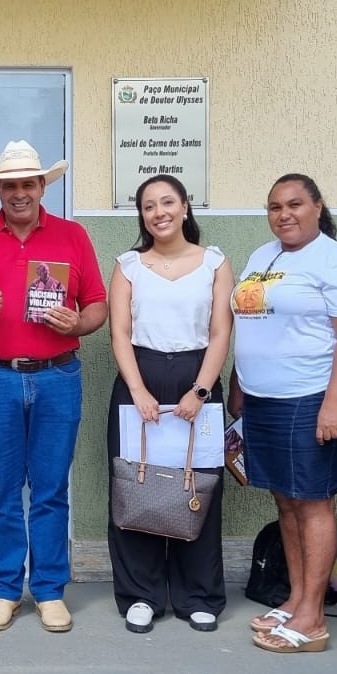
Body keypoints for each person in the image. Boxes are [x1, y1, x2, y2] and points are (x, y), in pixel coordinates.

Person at [0, 140, 107, 634]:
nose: (18, 193)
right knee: (3, 488)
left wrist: (77, 322)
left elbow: (97, 304)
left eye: (27, 184)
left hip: (58, 374)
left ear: (41, 186)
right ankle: (6, 589)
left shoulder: (73, 236)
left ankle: (50, 590)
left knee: (52, 489)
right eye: (8, 185)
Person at [232, 174, 337, 654]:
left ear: (317, 206)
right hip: (262, 400)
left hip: (309, 397)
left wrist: (335, 403)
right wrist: (239, 386)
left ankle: (312, 617)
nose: (284, 214)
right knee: (285, 501)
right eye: (274, 207)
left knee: (312, 502)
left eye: (294, 204)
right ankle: (294, 598)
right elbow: (250, 322)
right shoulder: (261, 257)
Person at [106, 175, 233, 635]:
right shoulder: (128, 265)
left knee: (196, 485)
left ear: (185, 207)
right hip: (139, 379)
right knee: (135, 484)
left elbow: (221, 332)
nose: (158, 212)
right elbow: (119, 333)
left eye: (167, 203)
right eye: (148, 206)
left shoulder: (214, 262)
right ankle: (141, 594)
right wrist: (137, 389)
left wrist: (200, 391)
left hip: (196, 380)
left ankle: (198, 594)